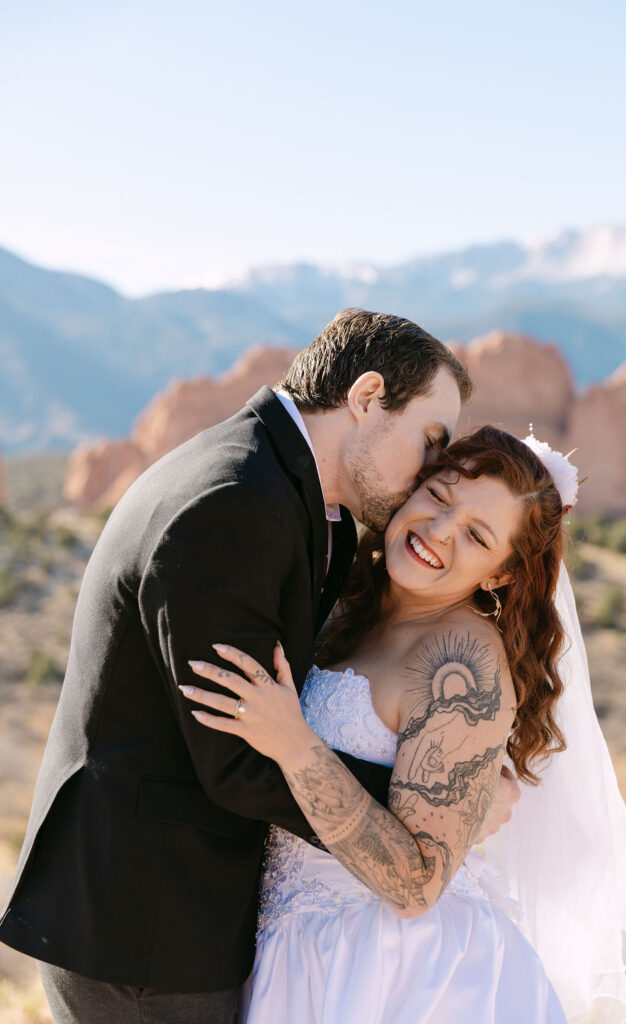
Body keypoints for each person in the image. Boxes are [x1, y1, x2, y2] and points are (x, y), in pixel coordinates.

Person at [0, 309, 499, 1024]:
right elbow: (237, 752)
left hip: (173, 913)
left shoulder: (283, 489)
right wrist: (431, 805)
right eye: (428, 439)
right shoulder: (233, 502)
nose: (429, 468)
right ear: (365, 397)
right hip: (146, 928)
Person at [183, 425, 573, 1023]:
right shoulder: (347, 609)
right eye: (439, 498)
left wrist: (295, 745)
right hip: (293, 944)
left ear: (501, 575)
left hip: (395, 968)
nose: (439, 532)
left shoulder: (460, 660)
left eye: (476, 535)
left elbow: (416, 887)